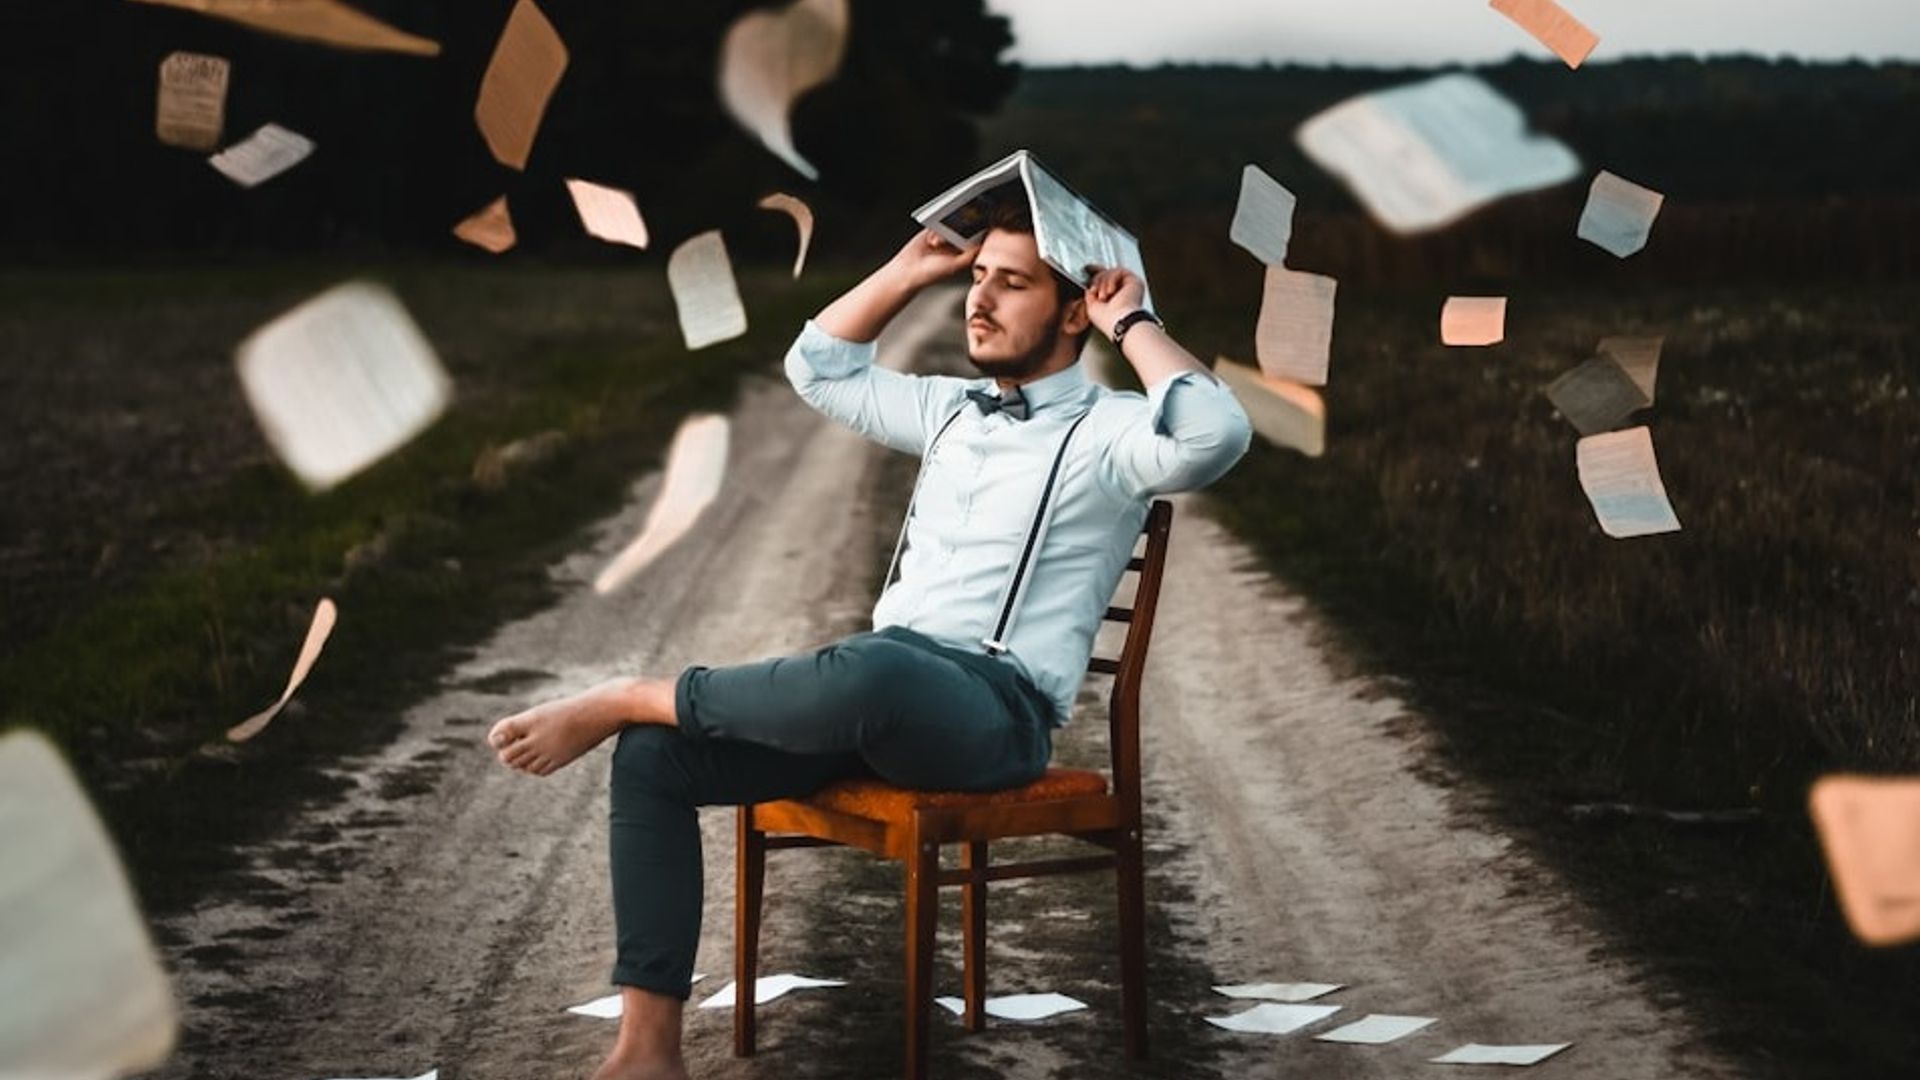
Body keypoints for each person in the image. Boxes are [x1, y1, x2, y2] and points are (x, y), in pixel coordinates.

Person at [485, 200, 1252, 1080]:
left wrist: (1137, 321)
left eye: (1013, 283)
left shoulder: (1115, 430)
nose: (981, 301)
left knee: (873, 666)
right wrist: (907, 271)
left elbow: (1216, 433)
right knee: (656, 759)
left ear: (1078, 309)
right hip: (880, 703)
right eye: (977, 278)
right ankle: (648, 1051)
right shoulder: (951, 410)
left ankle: (632, 692)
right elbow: (817, 368)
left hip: (992, 717)